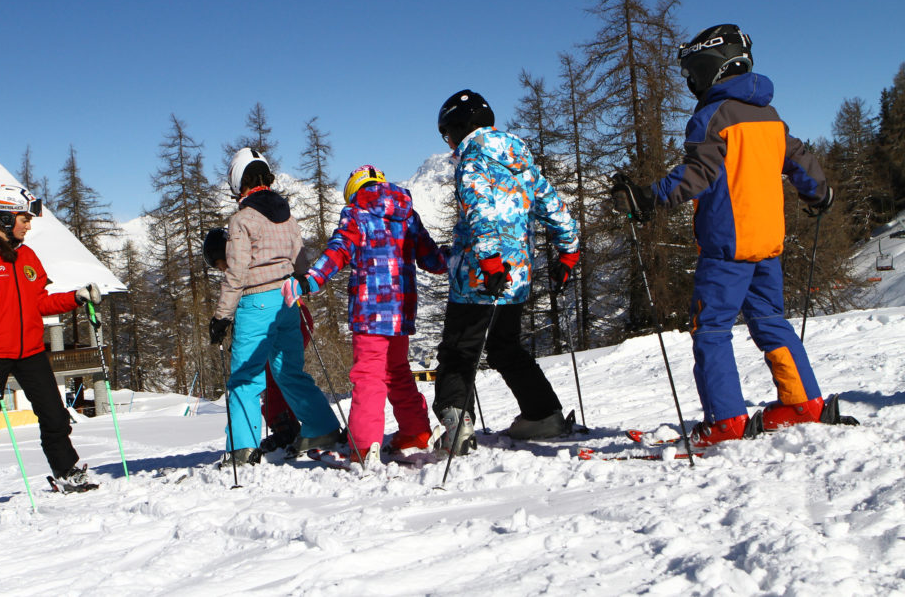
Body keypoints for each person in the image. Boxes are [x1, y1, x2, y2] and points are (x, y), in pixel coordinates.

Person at [610, 23, 846, 448]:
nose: (690, 82)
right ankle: (803, 404)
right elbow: (800, 159)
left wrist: (647, 197)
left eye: (693, 72)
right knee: (771, 321)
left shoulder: (712, 117)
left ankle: (727, 421)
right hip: (768, 244)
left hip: (726, 247)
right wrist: (819, 193)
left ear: (712, 69)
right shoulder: (770, 117)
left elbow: (697, 174)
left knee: (712, 330)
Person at [433, 90, 580, 455]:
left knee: (458, 351)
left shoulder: (472, 157)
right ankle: (542, 414)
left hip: (480, 275)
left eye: (447, 134)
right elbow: (555, 209)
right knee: (503, 347)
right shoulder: (522, 162)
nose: (449, 143)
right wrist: (568, 252)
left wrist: (488, 260)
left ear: (460, 126)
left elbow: (480, 209)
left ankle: (457, 427)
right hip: (515, 277)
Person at [0, 184, 101, 518]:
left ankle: (66, 471)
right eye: (23, 218)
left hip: (29, 349)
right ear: (3, 217)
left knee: (55, 415)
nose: (28, 225)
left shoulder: (27, 256)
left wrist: (75, 297)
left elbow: (39, 302)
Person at [282, 165, 448, 462]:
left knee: (368, 374)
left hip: (371, 312)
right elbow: (431, 259)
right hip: (401, 312)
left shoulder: (356, 214)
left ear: (354, 192)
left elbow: (339, 249)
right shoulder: (407, 213)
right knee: (397, 371)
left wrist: (310, 280)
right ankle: (416, 432)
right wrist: (454, 256)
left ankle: (362, 444)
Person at [209, 148, 341, 466]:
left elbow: (237, 271)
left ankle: (243, 448)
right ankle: (322, 426)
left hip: (256, 302)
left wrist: (222, 316)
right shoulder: (287, 217)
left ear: (239, 182)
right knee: (288, 371)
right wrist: (297, 287)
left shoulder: (242, 219)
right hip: (288, 301)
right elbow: (301, 263)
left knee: (245, 376)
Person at [203, 227, 303, 453]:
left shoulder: (240, 267)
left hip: (274, 315)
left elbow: (240, 295)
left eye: (220, 264)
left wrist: (222, 320)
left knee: (272, 376)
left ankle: (284, 428)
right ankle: (311, 427)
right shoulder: (252, 258)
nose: (221, 270)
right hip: (290, 312)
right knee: (280, 374)